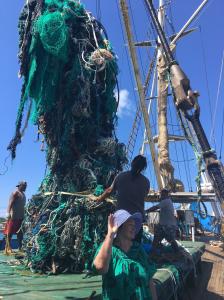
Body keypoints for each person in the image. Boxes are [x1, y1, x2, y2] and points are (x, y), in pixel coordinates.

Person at [93, 209, 157, 300]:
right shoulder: (109, 249)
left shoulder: (138, 249)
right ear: (120, 227)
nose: (134, 228)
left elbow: (150, 280)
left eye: (134, 225)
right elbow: (100, 268)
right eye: (130, 225)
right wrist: (110, 234)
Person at [94, 155, 150, 242]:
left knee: (119, 246)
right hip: (137, 220)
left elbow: (109, 191)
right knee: (134, 246)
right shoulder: (146, 182)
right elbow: (144, 195)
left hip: (121, 219)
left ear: (132, 163)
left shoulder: (121, 176)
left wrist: (99, 198)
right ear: (143, 168)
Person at [146, 188, 179, 253]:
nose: (160, 196)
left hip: (167, 226)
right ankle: (155, 252)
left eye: (161, 194)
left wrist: (146, 211)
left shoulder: (165, 201)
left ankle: (153, 253)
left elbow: (155, 207)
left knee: (167, 239)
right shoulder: (168, 201)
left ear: (164, 194)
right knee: (159, 239)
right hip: (165, 225)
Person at [4, 181, 27, 252]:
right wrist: (8, 212)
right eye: (24, 186)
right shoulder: (15, 193)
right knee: (9, 232)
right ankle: (8, 247)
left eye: (26, 186)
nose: (25, 187)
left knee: (20, 232)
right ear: (20, 186)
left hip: (21, 216)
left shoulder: (23, 194)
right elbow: (10, 203)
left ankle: (20, 247)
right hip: (13, 216)